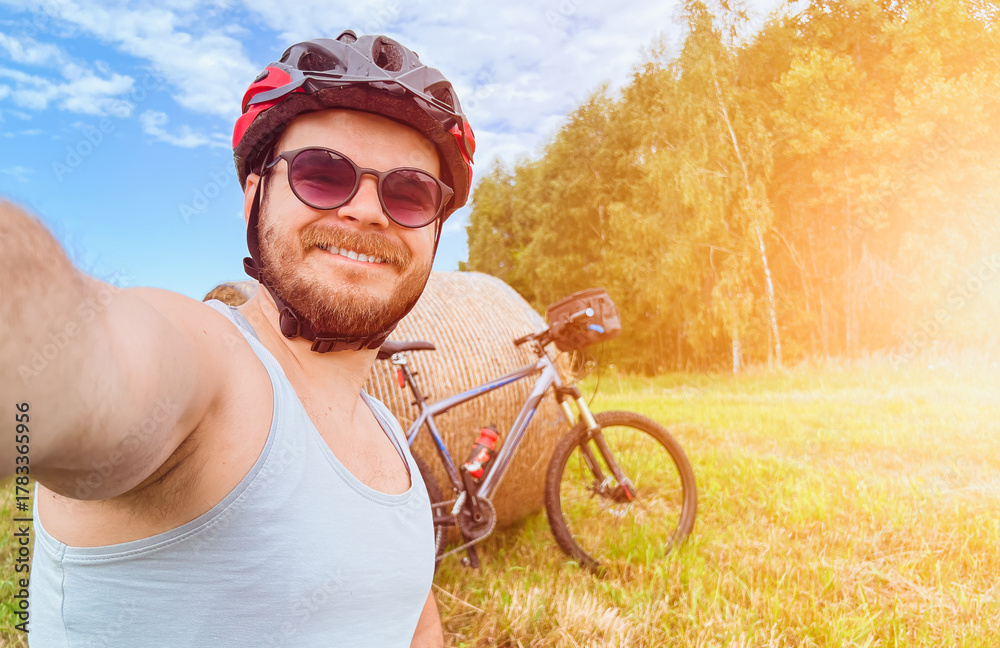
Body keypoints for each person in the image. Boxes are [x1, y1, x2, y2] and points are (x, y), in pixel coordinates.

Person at [1, 30, 475, 647]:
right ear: (255, 198)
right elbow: (81, 359)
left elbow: (408, 618)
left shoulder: (393, 446)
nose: (367, 210)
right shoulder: (213, 375)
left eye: (409, 192)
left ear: (435, 230)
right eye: (322, 175)